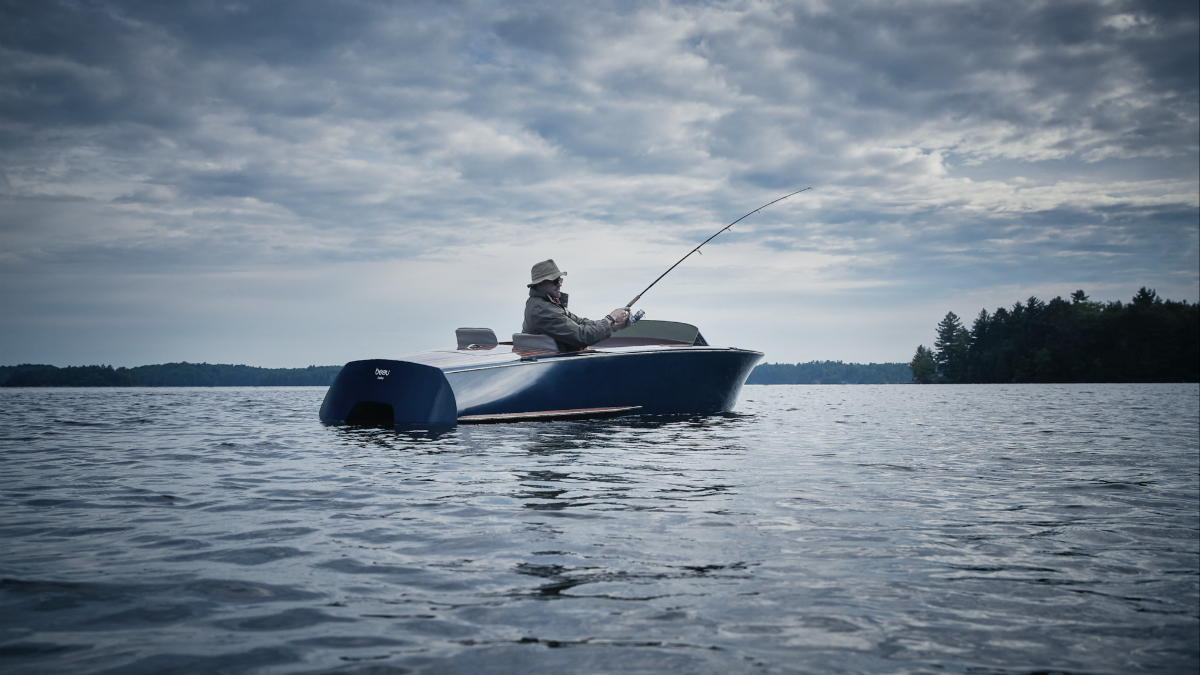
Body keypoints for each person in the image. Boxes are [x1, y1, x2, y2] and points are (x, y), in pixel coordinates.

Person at [523, 259, 631, 351]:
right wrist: (610, 319)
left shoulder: (548, 304)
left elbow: (579, 322)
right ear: (540, 283)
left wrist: (612, 326)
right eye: (554, 281)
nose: (559, 284)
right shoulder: (541, 309)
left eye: (560, 280)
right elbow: (581, 336)